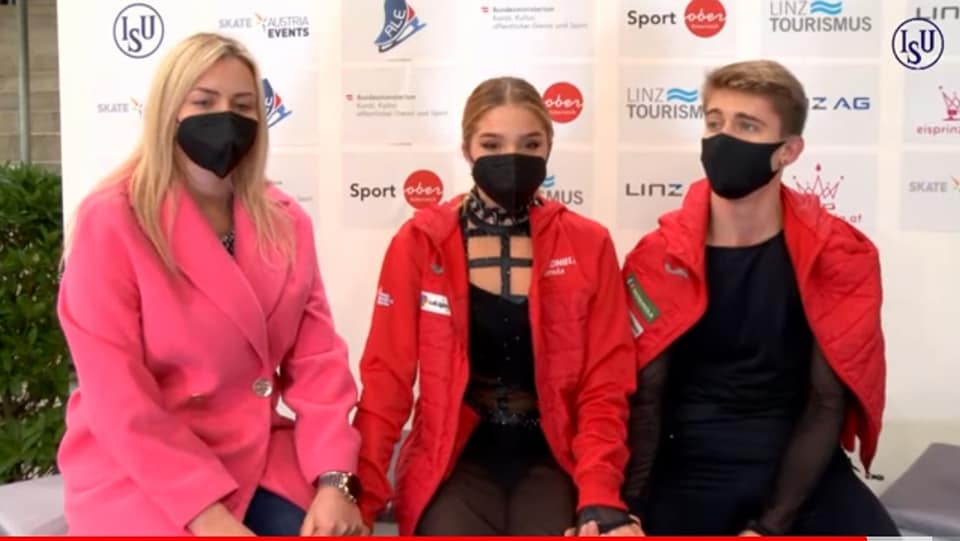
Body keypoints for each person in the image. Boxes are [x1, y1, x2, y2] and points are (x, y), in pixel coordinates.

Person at [56, 33, 364, 536]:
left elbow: (318, 363)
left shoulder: (286, 222)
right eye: (204, 102)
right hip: (141, 469)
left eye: (242, 105)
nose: (226, 117)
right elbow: (118, 397)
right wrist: (207, 516)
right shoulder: (110, 220)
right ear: (169, 110)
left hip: (258, 454)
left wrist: (335, 481)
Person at [618, 60, 899, 536]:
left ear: (789, 151)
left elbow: (827, 401)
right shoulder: (656, 255)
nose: (723, 139)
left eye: (747, 126)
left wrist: (769, 527)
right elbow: (646, 397)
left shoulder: (840, 254)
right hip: (686, 470)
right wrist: (629, 508)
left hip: (801, 470)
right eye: (714, 123)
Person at [352, 76, 642, 537]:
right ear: (467, 150)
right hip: (452, 458)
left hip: (553, 455)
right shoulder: (421, 243)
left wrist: (599, 493)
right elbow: (386, 379)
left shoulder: (589, 244)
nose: (512, 158)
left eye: (530, 144)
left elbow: (604, 384)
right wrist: (361, 499)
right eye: (492, 144)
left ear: (549, 149)